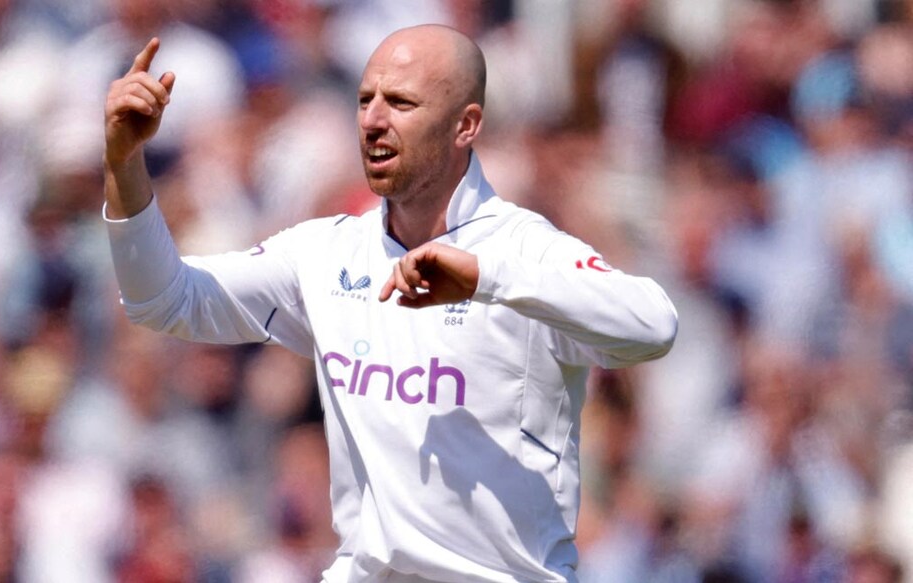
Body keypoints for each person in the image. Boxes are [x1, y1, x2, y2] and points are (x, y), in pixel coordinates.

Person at [102, 24, 678, 583]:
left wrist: (485, 279)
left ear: (465, 126)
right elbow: (162, 298)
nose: (373, 121)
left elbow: (654, 325)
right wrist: (125, 164)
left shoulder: (523, 251)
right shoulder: (326, 252)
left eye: (400, 102)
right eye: (363, 100)